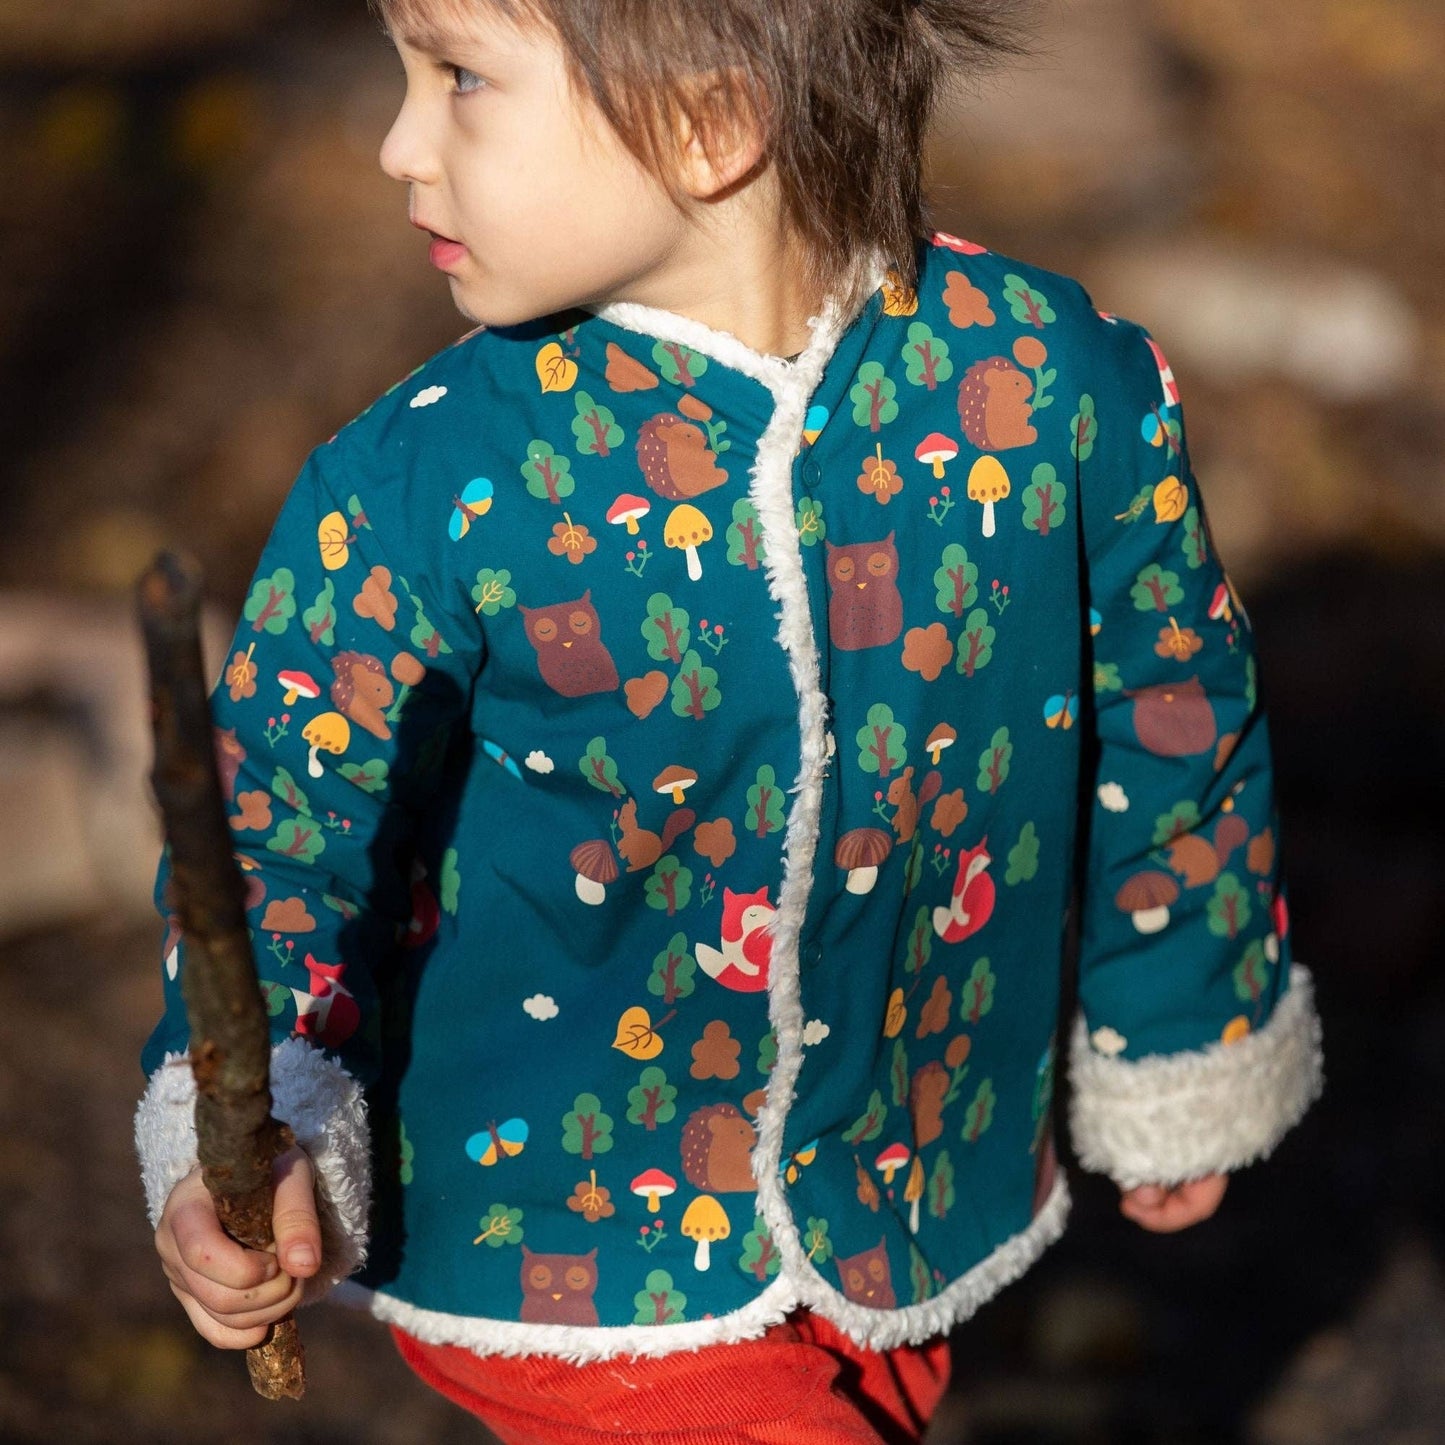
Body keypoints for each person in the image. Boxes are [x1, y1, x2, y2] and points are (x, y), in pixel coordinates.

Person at [135, 0, 1326, 1439]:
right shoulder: (426, 481)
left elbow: (1172, 710)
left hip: (907, 1178)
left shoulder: (1047, 388)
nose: (396, 145)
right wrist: (250, 1124)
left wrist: (1178, 1028)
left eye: (458, 79)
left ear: (708, 125)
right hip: (569, 1239)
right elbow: (280, 829)